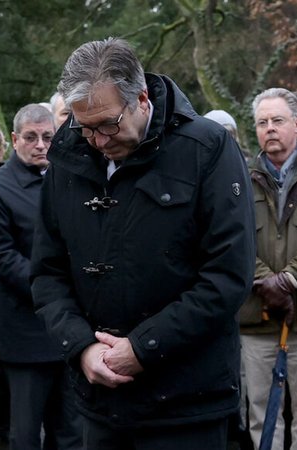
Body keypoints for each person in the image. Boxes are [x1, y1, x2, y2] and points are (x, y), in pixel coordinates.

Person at [30, 38, 255, 449]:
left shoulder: (205, 149)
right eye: (85, 127)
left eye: (108, 124)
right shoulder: (67, 158)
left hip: (187, 404)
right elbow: (47, 273)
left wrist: (144, 347)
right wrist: (82, 348)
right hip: (101, 402)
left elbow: (227, 275)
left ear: (142, 98)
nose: (97, 140)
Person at [0, 104, 81, 450]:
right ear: (13, 140)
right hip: (27, 330)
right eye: (31, 137)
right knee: (25, 435)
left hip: (71, 328)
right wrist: (51, 288)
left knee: (71, 432)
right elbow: (0, 256)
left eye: (48, 137)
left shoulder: (71, 179)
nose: (40, 145)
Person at [242, 87, 297, 450]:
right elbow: (231, 238)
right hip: (256, 320)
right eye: (262, 123)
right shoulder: (238, 179)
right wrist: (266, 280)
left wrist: (291, 277)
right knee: (262, 414)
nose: (269, 129)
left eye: (277, 121)